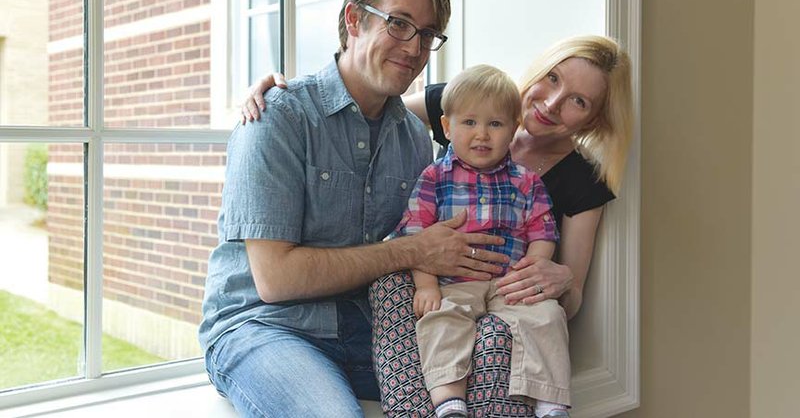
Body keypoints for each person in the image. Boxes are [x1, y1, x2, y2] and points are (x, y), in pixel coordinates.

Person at [242, 34, 634, 416]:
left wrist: (560, 278)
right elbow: (357, 109)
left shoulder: (584, 183)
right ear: (450, 125)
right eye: (553, 78)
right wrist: (286, 95)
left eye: (577, 101)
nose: (551, 102)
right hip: (439, 288)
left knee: (496, 337)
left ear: (593, 120)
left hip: (504, 301)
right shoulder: (468, 99)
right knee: (394, 286)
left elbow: (573, 294)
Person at [199, 0, 512, 418]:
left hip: (367, 327)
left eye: (427, 35)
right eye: (400, 24)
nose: (413, 48)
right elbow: (276, 280)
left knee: (487, 385)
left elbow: (494, 106)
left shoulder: (411, 137)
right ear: (354, 20)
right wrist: (413, 251)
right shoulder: (277, 117)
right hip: (266, 326)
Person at [391, 65, 570, 418]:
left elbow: (542, 230)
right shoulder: (435, 178)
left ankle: (549, 402)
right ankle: (449, 401)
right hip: (455, 282)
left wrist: (532, 270)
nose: (482, 135)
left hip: (509, 283)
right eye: (469, 123)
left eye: (495, 124)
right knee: (442, 320)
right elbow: (416, 235)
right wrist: (426, 285)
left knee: (547, 316)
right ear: (446, 127)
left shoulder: (526, 182)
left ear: (513, 129)